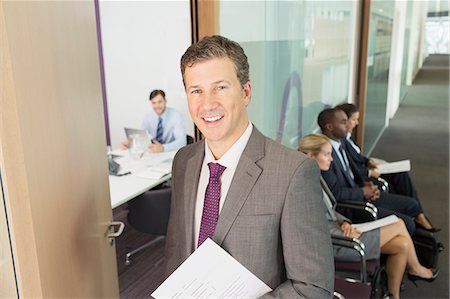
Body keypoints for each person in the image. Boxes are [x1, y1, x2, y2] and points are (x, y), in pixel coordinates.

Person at [164, 35, 334, 297]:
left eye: (220, 87)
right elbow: (177, 250)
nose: (207, 103)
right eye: (196, 90)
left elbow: (313, 288)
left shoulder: (293, 172)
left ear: (245, 92)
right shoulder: (183, 161)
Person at [298, 133, 439, 299]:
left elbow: (330, 209)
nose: (331, 159)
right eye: (327, 155)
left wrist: (344, 221)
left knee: (401, 244)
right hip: (336, 243)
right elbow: (314, 228)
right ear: (310, 156)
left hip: (342, 230)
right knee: (400, 224)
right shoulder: (304, 185)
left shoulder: (316, 176)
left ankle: (394, 295)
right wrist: (344, 230)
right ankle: (416, 269)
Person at [318, 107, 433, 235]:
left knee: (411, 204)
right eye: (343, 122)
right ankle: (423, 241)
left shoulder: (341, 142)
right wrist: (362, 191)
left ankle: (424, 234)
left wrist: (366, 184)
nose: (349, 125)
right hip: (351, 204)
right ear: (329, 127)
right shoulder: (324, 154)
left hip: (361, 192)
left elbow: (353, 169)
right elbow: (336, 193)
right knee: (407, 223)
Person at [120, 89, 186, 153]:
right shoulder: (148, 117)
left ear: (165, 101)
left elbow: (182, 141)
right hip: (153, 153)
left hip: (169, 153)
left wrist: (163, 148)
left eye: (160, 102)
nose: (157, 106)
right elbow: (142, 137)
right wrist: (130, 143)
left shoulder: (175, 115)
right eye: (154, 103)